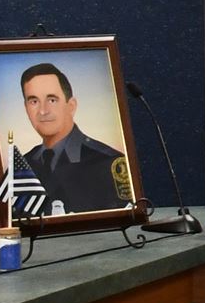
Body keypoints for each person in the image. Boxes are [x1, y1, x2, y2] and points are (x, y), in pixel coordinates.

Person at [13, 61, 129, 214]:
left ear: (71, 106)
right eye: (34, 101)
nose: (43, 111)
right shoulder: (22, 166)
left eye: (52, 100)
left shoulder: (108, 162)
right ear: (26, 108)